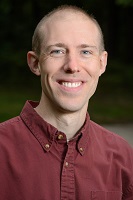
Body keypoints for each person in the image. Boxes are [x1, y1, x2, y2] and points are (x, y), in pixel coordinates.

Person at [0, 5, 133, 200]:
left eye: (86, 52)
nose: (72, 66)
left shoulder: (123, 158)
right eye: (57, 51)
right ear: (35, 63)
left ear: (102, 63)